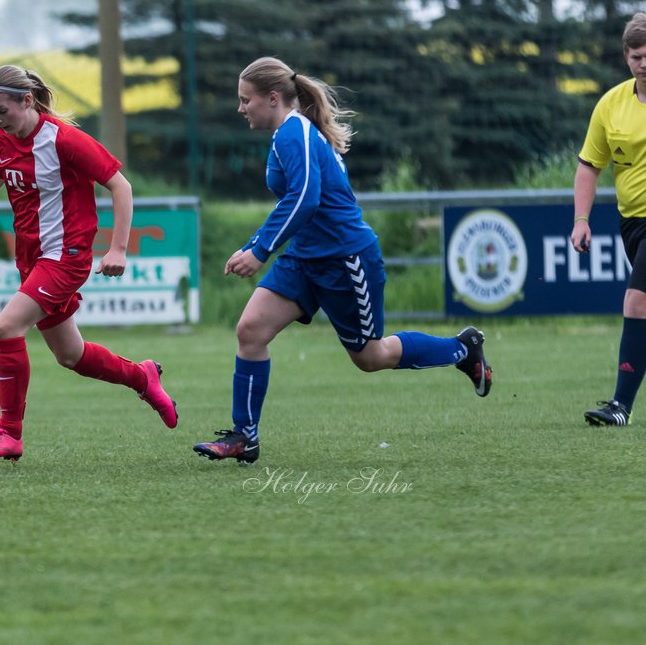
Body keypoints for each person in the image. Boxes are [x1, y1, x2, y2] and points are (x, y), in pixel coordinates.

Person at [194, 56, 492, 465]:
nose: (240, 108)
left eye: (246, 100)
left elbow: (305, 198)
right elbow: (296, 203)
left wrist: (259, 251)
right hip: (304, 257)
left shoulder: (292, 133)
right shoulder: (291, 132)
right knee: (250, 331)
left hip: (344, 259)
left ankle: (463, 349)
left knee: (371, 357)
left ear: (273, 97)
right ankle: (244, 437)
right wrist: (254, 243)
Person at [0, 64, 177, 461]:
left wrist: (118, 249)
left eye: (2, 111)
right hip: (31, 259)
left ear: (27, 100)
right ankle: (141, 377)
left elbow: (120, 185)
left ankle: (9, 434)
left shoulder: (64, 139)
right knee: (70, 356)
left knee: (7, 326)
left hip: (66, 256)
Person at [571, 12, 646, 427]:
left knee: (637, 302)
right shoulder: (611, 105)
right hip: (631, 223)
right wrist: (581, 219)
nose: (644, 63)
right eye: (637, 56)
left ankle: (620, 406)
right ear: (625, 57)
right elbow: (588, 167)